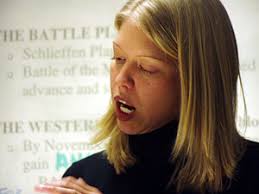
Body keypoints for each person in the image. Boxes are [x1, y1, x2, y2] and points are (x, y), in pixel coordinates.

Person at [35, 0, 259, 193]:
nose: (121, 79)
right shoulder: (83, 177)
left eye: (146, 68)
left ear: (196, 82)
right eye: (118, 58)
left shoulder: (253, 174)